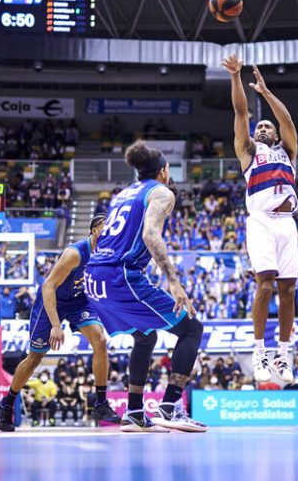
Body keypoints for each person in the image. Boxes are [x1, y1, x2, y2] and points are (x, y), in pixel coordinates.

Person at [83, 140, 206, 433]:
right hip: (120, 276)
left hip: (94, 278)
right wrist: (173, 282)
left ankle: (135, 411)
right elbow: (151, 234)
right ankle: (170, 407)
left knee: (145, 336)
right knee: (191, 328)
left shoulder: (122, 194)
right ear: (164, 171)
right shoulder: (162, 192)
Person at [0, 214, 120, 431]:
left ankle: (101, 403)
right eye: (105, 228)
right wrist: (56, 325)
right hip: (52, 301)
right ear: (94, 231)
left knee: (100, 341)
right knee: (34, 358)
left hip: (79, 301)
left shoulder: (109, 255)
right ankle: (7, 404)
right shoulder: (74, 253)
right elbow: (48, 286)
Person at [222, 54, 298, 385]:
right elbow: (241, 112)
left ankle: (283, 355)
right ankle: (259, 352)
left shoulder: (287, 151)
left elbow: (290, 123)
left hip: (287, 223)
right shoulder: (250, 153)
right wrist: (236, 77)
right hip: (261, 221)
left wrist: (267, 92)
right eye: (260, 126)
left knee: (289, 290)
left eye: (267, 125)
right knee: (264, 285)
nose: (264, 127)